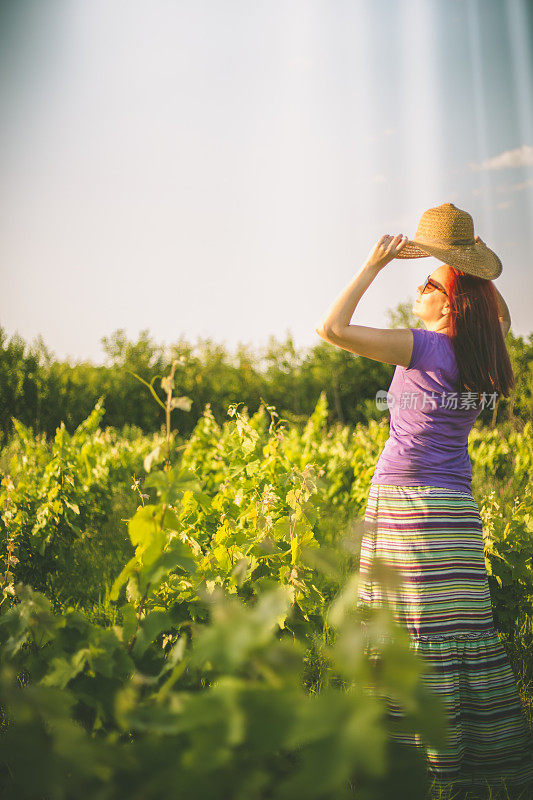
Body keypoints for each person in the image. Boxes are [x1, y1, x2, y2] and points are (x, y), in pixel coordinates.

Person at [315, 203, 533, 796]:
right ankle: (462, 763)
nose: (418, 285)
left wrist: (373, 265)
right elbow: (498, 310)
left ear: (451, 299)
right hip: (455, 515)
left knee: (409, 635)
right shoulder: (481, 348)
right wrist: (452, 260)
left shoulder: (425, 348)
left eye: (429, 281)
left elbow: (330, 328)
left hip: (409, 511)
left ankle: (418, 768)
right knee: (459, 635)